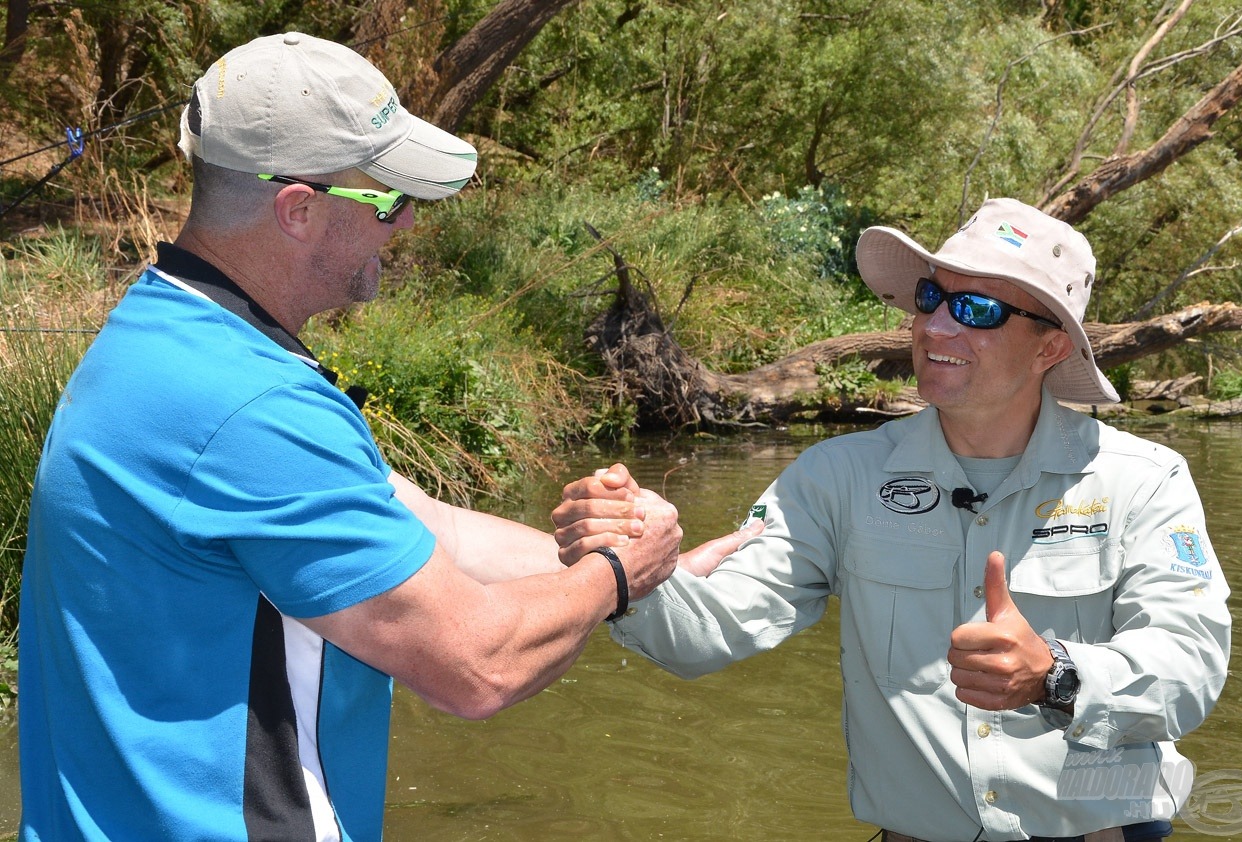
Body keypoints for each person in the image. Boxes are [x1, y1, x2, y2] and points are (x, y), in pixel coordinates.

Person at [16, 32, 749, 842]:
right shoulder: (251, 406)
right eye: (390, 199)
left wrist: (645, 563)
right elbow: (478, 666)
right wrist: (615, 575)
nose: (405, 225)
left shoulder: (168, 336)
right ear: (297, 208)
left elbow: (429, 527)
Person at [555, 198, 1231, 842]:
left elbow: (1190, 666)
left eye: (976, 309)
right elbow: (705, 631)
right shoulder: (835, 478)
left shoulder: (1144, 481)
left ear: (1050, 349)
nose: (936, 326)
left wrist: (1055, 674)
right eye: (932, 298)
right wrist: (627, 560)